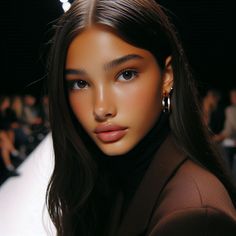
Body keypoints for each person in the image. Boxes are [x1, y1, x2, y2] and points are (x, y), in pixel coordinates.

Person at [46, 0, 236, 235]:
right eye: (80, 83)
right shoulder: (101, 179)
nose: (101, 107)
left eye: (126, 74)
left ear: (167, 75)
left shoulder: (195, 218)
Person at [214, 88, 236, 170]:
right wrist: (218, 137)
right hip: (232, 141)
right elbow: (228, 130)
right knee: (220, 147)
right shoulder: (230, 110)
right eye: (232, 96)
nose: (233, 98)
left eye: (235, 95)